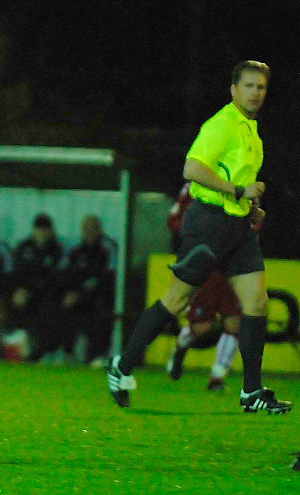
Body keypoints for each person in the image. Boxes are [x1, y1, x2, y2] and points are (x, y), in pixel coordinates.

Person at [106, 60, 291, 413]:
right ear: (233, 89)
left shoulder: (250, 130)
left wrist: (250, 206)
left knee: (256, 303)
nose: (255, 93)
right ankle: (122, 365)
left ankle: (251, 392)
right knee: (176, 301)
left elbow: (237, 180)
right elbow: (192, 168)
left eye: (261, 87)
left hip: (238, 227)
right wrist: (239, 191)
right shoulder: (222, 124)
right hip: (208, 225)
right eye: (249, 86)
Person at [165, 183, 242, 391]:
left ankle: (217, 377)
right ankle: (180, 348)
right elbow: (173, 220)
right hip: (205, 263)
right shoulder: (194, 186)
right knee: (201, 327)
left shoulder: (241, 183)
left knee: (235, 322)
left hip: (233, 264)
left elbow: (254, 219)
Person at [58, 215, 116, 365]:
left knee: (100, 312)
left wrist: (81, 295)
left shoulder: (108, 248)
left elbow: (109, 278)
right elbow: (63, 274)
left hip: (98, 299)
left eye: (92, 229)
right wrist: (69, 293)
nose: (88, 233)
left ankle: (98, 356)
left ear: (100, 230)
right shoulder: (75, 249)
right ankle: (66, 353)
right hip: (76, 298)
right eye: (86, 229)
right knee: (57, 307)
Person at [5, 213, 63, 360]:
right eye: (39, 229)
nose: (41, 233)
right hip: (24, 294)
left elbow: (56, 279)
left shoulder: (56, 250)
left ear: (50, 231)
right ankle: (17, 348)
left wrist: (32, 291)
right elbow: (15, 274)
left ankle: (43, 352)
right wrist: (17, 290)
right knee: (13, 305)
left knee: (48, 311)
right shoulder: (23, 247)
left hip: (46, 296)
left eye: (45, 230)